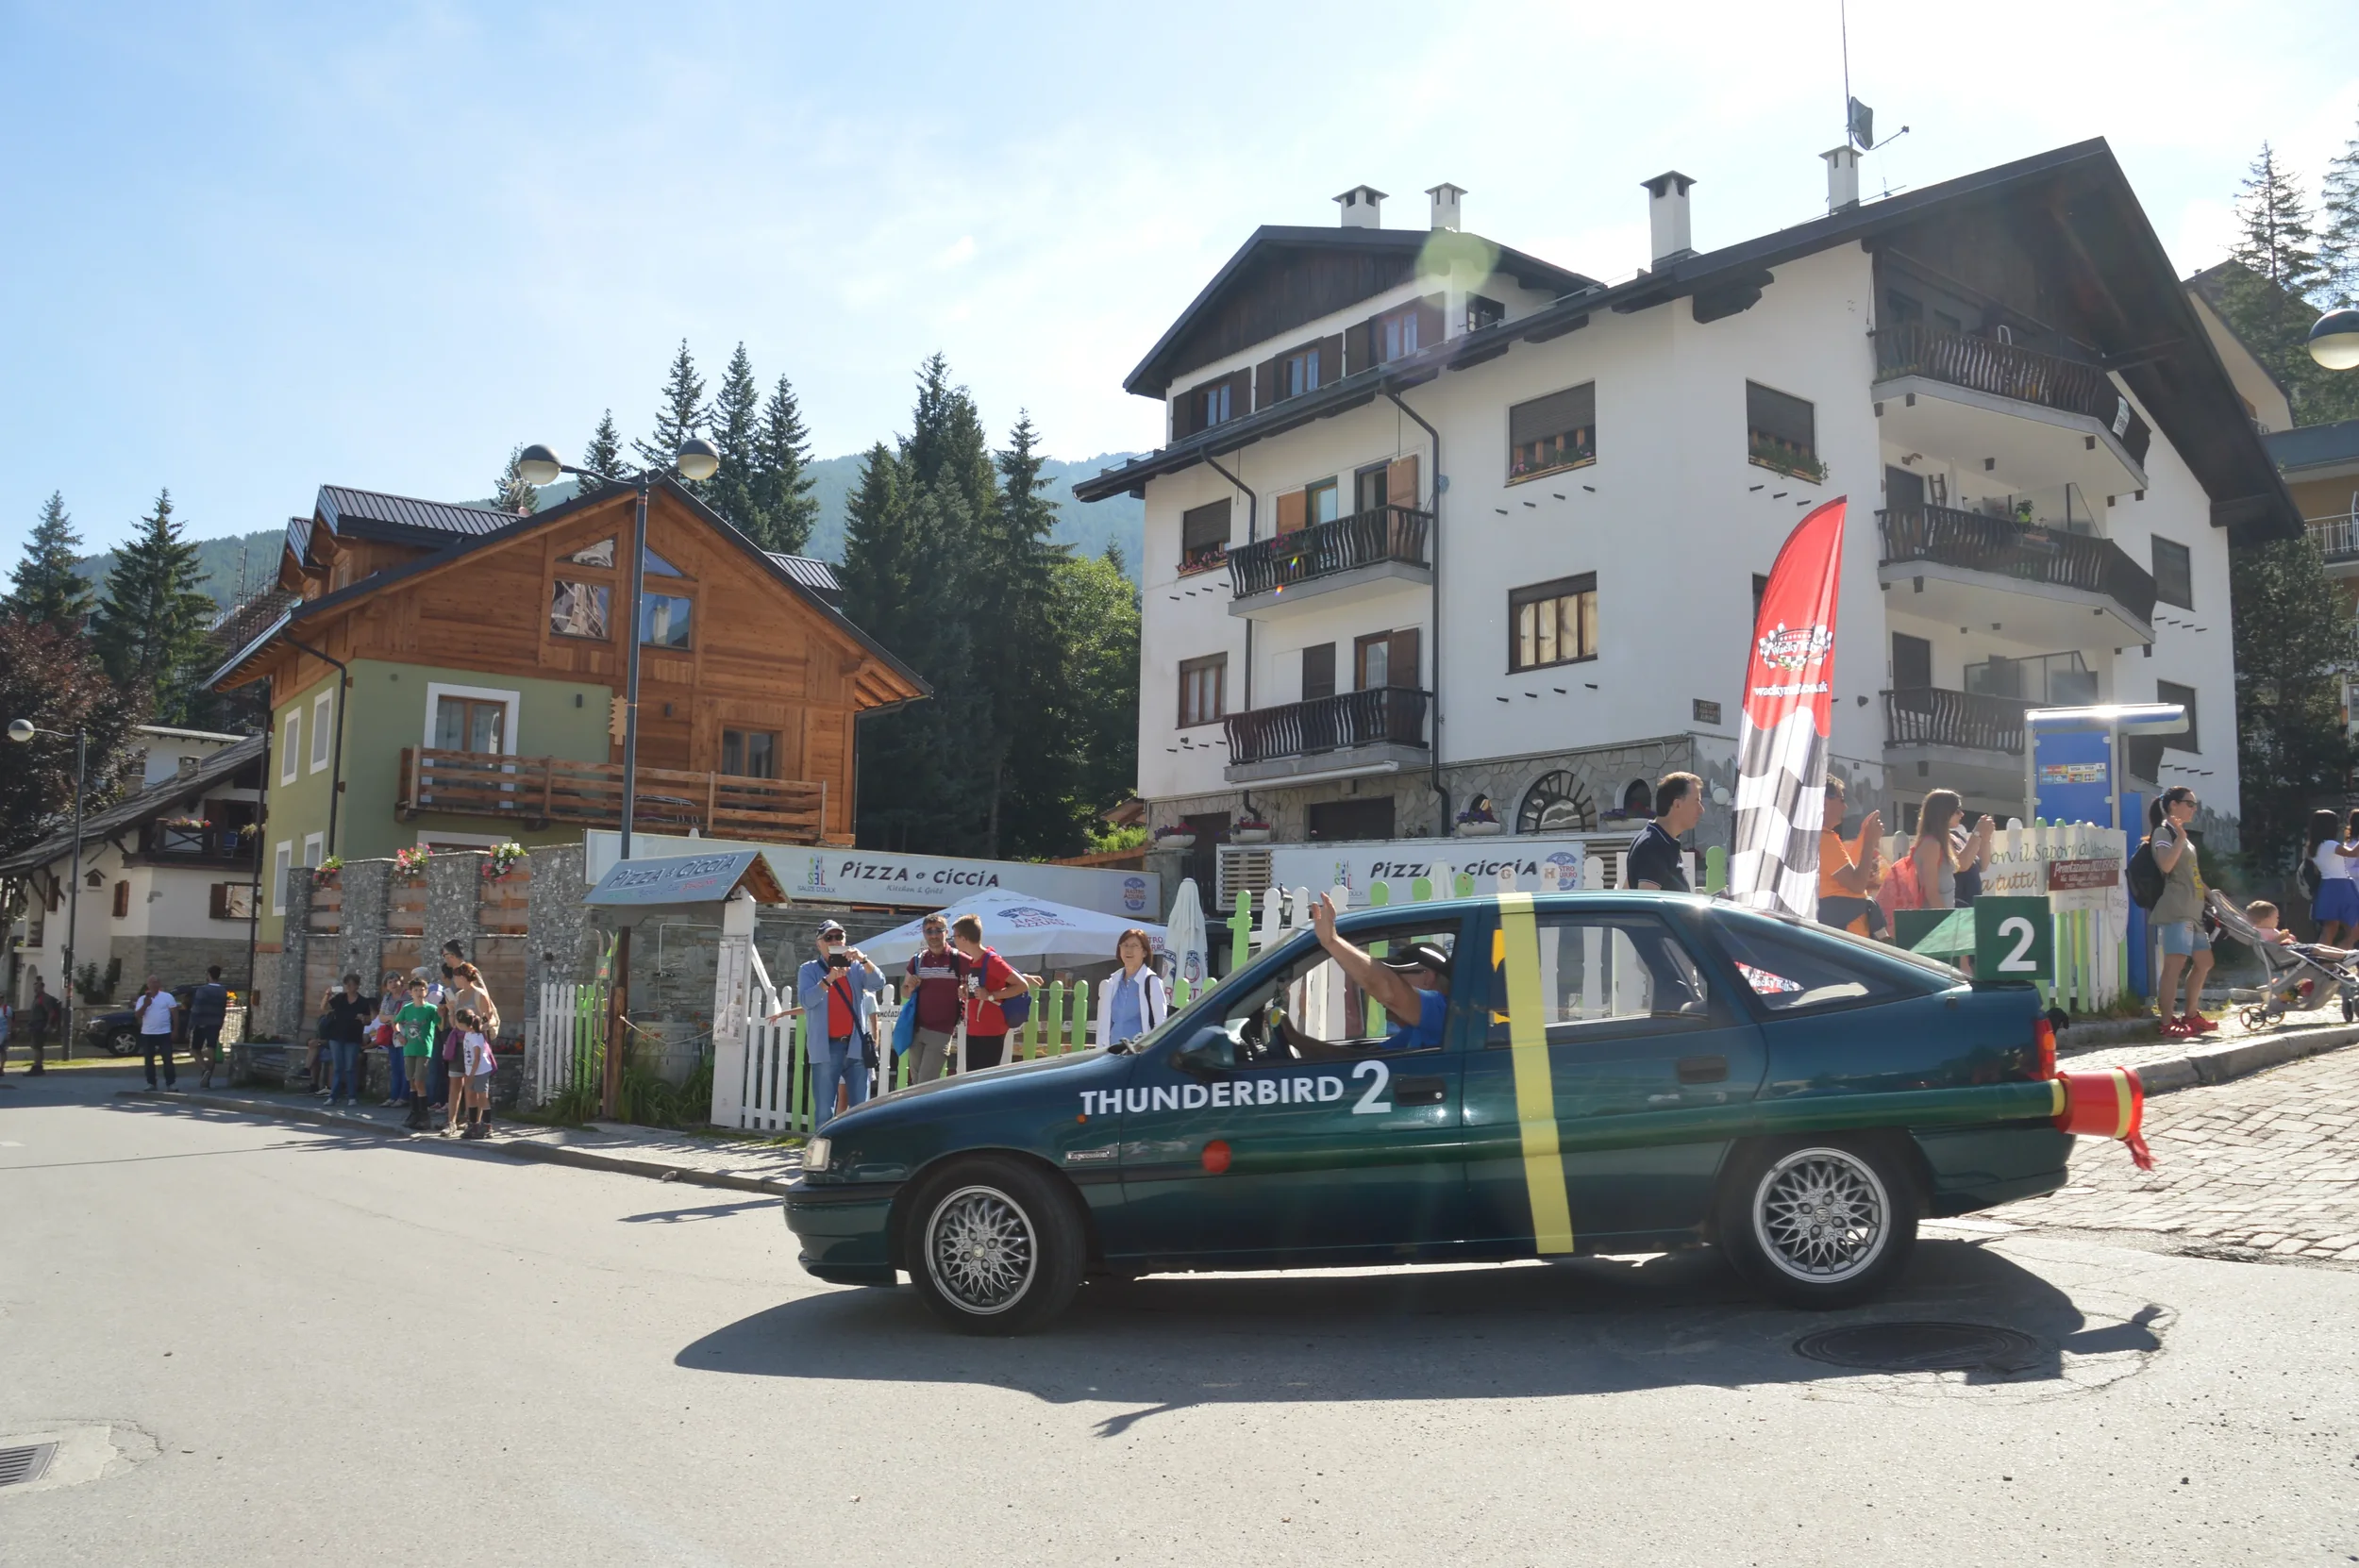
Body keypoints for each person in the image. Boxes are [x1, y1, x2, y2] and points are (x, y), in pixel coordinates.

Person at [1308, 892, 1452, 1050]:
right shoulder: (1415, 1031)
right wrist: (1294, 1039)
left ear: (1428, 977)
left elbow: (1388, 990)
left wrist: (1332, 941)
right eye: (1391, 976)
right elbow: (1358, 1060)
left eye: (1398, 976)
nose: (1378, 996)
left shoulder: (1445, 1014)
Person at [788, 920, 884, 1127]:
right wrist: (829, 979)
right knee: (824, 1110)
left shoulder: (857, 967)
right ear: (819, 944)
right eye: (828, 937)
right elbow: (806, 1001)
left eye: (838, 937)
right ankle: (824, 1154)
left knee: (861, 1109)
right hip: (826, 1047)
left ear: (845, 941)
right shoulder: (809, 970)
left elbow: (878, 983)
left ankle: (858, 1154)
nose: (834, 941)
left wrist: (864, 959)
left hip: (855, 1045)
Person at [2149, 786, 2217, 1039]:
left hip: (2194, 909)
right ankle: (2167, 1021)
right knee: (2174, 965)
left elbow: (2192, 875)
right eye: (2189, 803)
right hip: (2177, 909)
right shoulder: (2163, 832)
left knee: (2205, 962)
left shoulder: (2181, 836)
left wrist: (2213, 896)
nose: (2194, 808)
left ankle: (2191, 1015)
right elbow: (2166, 865)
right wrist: (2179, 837)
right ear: (2174, 805)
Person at [947, 914, 1029, 1071]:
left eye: (955, 936)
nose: (953, 940)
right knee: (973, 1079)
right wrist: (966, 990)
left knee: (983, 1080)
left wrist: (991, 996)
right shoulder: (974, 960)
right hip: (975, 1029)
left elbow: (1022, 985)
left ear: (964, 938)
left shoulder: (992, 960)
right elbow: (982, 987)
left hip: (991, 1030)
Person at [1815, 777, 1886, 938]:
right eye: (1841, 800)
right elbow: (1857, 885)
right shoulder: (1824, 839)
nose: (1845, 807)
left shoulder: (1819, 837)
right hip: (1847, 932)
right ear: (1825, 801)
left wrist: (1865, 836)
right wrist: (1869, 841)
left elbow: (1849, 873)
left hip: (1840, 928)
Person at [902, 914, 963, 1084]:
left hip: (941, 1031)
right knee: (916, 1083)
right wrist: (911, 987)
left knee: (925, 1082)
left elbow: (982, 972)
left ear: (947, 932)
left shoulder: (959, 959)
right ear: (923, 933)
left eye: (938, 930)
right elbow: (905, 992)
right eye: (929, 931)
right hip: (916, 1030)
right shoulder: (917, 960)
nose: (934, 935)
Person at [1909, 790, 1993, 913]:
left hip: (1952, 911)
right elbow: (1931, 892)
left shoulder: (1947, 839)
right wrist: (1977, 833)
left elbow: (1981, 865)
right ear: (1944, 813)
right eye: (1957, 810)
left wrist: (1984, 838)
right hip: (1935, 919)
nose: (1962, 814)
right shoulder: (1931, 844)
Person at [442, 961, 497, 1136]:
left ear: (463, 977)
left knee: (474, 1087)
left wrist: (481, 1028)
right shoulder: (458, 996)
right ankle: (454, 1122)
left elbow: (492, 1019)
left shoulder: (479, 995)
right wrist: (451, 1011)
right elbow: (454, 1024)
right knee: (455, 1083)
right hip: (459, 1043)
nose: (454, 980)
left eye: (456, 976)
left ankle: (477, 1123)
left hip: (475, 1044)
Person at [1626, 772, 1701, 892]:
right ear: (1677, 804)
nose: (1701, 809)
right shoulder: (1654, 845)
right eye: (1696, 801)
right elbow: (1648, 905)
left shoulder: (1657, 840)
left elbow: (1627, 891)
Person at [1095, 927, 1169, 1047]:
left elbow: (1160, 1024)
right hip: (1111, 1053)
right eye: (1125, 945)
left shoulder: (1152, 982)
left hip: (1137, 1055)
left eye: (1134, 946)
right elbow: (1103, 1025)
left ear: (1144, 952)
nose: (1128, 950)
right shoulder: (1112, 982)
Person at [2302, 809, 2359, 946]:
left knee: (2329, 930)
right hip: (2341, 886)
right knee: (2354, 931)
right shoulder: (2330, 844)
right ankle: (2336, 958)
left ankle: (2324, 962)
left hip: (2328, 887)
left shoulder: (2313, 847)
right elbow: (2352, 853)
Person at [393, 976, 441, 1131]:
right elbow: (396, 1022)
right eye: (416, 990)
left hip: (423, 1050)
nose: (419, 993)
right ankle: (414, 1114)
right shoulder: (407, 1008)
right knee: (412, 1081)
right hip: (409, 1049)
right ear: (410, 992)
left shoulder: (431, 1009)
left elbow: (440, 1024)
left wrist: (445, 1012)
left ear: (426, 992)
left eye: (422, 990)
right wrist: (399, 1035)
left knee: (419, 1080)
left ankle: (424, 1116)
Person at [321, 973, 374, 1108]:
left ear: (357, 985)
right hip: (336, 1036)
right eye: (347, 984)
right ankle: (333, 1097)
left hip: (353, 1038)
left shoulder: (363, 1001)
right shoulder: (340, 998)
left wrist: (363, 1018)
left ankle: (352, 1097)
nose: (350, 987)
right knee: (338, 1067)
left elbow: (369, 1021)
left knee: (350, 1068)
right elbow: (324, 1008)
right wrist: (327, 995)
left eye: (352, 984)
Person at [187, 965, 230, 1090]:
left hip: (202, 1021)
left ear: (209, 975)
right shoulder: (223, 991)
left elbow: (196, 1008)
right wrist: (220, 1022)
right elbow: (223, 1009)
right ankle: (208, 1078)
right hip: (215, 1022)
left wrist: (190, 1026)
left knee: (195, 1049)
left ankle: (204, 1069)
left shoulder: (202, 990)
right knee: (211, 1047)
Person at [376, 973, 409, 1105]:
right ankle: (393, 1097)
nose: (394, 984)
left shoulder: (408, 996)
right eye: (390, 982)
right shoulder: (387, 997)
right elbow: (381, 1017)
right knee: (395, 1067)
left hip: (405, 1034)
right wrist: (391, 1018)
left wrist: (394, 1018)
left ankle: (403, 1097)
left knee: (404, 1067)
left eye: (396, 981)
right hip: (392, 1035)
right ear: (386, 986)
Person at [19, 976, 57, 1076]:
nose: (35, 990)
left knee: (37, 1047)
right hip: (35, 1025)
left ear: (42, 988)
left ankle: (38, 1067)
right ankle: (38, 1066)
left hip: (40, 1025)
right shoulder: (37, 998)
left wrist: (48, 1025)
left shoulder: (44, 998)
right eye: (34, 988)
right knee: (37, 1047)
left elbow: (51, 1012)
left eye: (37, 988)